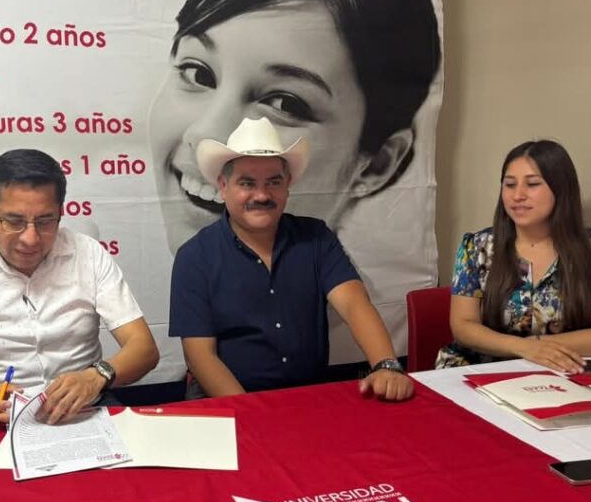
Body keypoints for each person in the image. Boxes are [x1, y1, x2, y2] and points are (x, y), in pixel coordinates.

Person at [149, 0, 441, 255]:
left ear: (377, 165)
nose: (206, 135)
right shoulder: (188, 270)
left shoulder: (332, 276)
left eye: (285, 103)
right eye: (198, 74)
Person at [168, 117, 414, 400]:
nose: (262, 195)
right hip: (228, 401)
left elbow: (354, 304)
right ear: (223, 186)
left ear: (288, 185)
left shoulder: (317, 238)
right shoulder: (194, 257)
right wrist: (253, 412)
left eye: (273, 182)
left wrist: (386, 365)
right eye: (247, 183)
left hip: (307, 396)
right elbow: (200, 357)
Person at [0, 149, 159, 424]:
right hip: (3, 421)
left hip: (87, 410)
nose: (30, 238)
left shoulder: (88, 255)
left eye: (45, 221)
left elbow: (144, 349)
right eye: (13, 222)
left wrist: (96, 376)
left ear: (61, 213)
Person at [437, 140, 591, 372]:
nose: (518, 195)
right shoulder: (476, 247)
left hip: (561, 370)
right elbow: (463, 326)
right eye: (509, 185)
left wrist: (540, 347)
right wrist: (523, 348)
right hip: (481, 368)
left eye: (532, 184)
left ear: (561, 189)